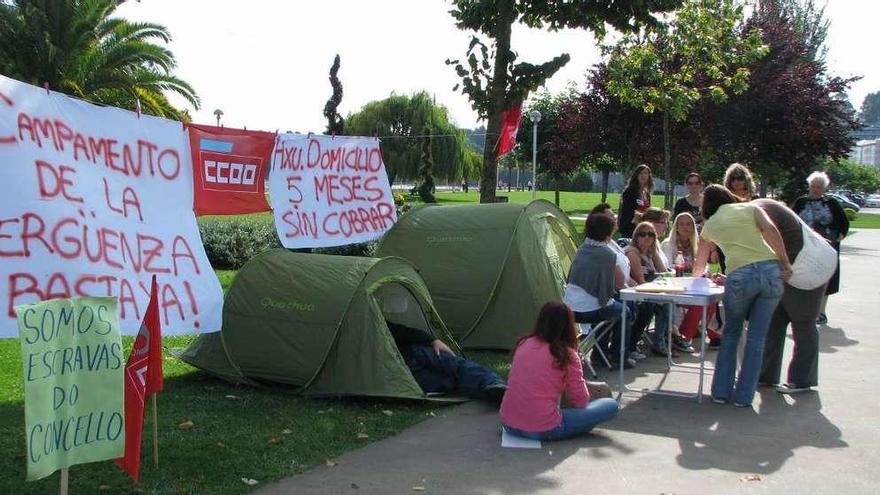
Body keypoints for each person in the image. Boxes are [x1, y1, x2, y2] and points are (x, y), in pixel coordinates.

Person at [693, 185, 791, 408]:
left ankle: (720, 392)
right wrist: (784, 262)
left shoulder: (711, 224)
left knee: (731, 334)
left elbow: (700, 260)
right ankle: (745, 397)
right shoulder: (751, 209)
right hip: (770, 271)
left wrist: (696, 279)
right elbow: (771, 232)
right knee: (757, 338)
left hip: (740, 275)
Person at [500, 302, 620, 441]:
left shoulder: (524, 343)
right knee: (610, 405)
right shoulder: (566, 354)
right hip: (543, 428)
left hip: (508, 423)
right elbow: (581, 400)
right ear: (569, 326)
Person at [754, 198, 826, 394]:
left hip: (808, 266)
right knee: (774, 321)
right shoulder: (755, 208)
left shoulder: (759, 210)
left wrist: (782, 265)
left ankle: (802, 380)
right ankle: (766, 375)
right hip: (786, 268)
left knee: (803, 322)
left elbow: (772, 240)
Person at [564, 212, 635, 368]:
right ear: (608, 232)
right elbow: (620, 283)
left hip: (568, 308)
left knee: (609, 308)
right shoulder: (608, 254)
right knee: (625, 311)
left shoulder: (582, 248)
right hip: (589, 310)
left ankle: (599, 353)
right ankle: (619, 356)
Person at [386, 321, 507, 402]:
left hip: (414, 350)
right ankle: (494, 392)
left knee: (456, 365)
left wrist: (433, 341)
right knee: (446, 383)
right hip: (402, 368)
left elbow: (403, 331)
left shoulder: (373, 321)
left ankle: (495, 384)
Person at [791, 171, 849, 325]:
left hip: (826, 248)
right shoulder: (801, 202)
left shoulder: (832, 203)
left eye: (819, 187)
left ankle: (821, 312)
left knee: (825, 279)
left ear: (824, 189)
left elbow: (844, 225)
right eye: (813, 186)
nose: (815, 190)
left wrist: (836, 239)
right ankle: (802, 309)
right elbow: (791, 221)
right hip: (804, 248)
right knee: (802, 277)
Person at [661, 213, 719, 350]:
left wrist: (703, 271)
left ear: (693, 227)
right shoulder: (668, 244)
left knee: (711, 299)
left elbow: (705, 265)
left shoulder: (697, 244)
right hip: (675, 286)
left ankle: (714, 336)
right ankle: (684, 335)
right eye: (681, 224)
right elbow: (667, 267)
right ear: (676, 227)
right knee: (700, 301)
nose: (685, 227)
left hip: (694, 285)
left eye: (688, 224)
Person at [625, 222, 673, 357]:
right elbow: (641, 282)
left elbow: (665, 273)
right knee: (652, 305)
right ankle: (632, 345)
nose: (647, 237)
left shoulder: (651, 252)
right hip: (634, 292)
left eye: (651, 234)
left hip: (647, 290)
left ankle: (661, 341)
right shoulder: (632, 253)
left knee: (667, 302)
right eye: (643, 234)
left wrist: (662, 276)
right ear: (636, 237)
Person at [618, 164, 653, 238]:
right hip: (629, 229)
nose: (643, 175)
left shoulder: (647, 193)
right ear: (636, 175)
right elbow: (627, 211)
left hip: (642, 229)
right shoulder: (630, 191)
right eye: (640, 173)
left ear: (649, 176)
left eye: (645, 173)